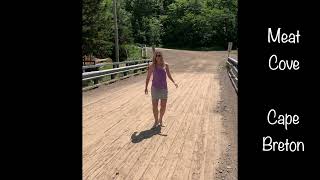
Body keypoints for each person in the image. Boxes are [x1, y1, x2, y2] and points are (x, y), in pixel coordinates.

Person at [145, 51, 178, 128]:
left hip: (164, 88)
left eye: (159, 55)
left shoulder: (166, 65)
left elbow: (169, 75)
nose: (158, 57)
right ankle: (156, 121)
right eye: (156, 56)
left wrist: (174, 82)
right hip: (155, 88)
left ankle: (161, 119)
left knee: (163, 106)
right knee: (155, 106)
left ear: (161, 56)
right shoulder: (152, 66)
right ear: (154, 57)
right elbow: (148, 77)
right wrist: (146, 87)